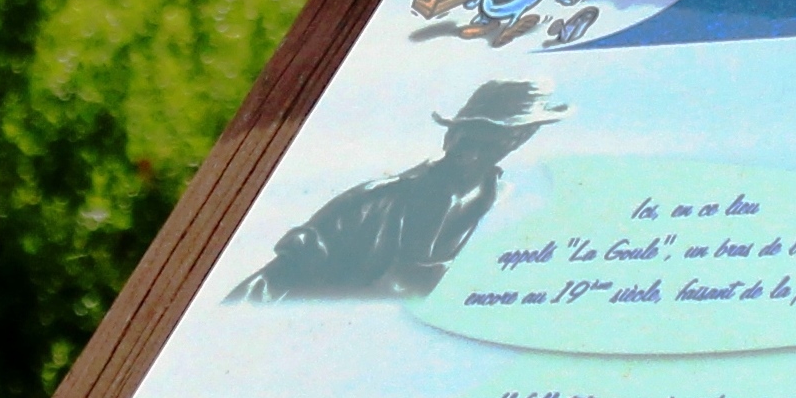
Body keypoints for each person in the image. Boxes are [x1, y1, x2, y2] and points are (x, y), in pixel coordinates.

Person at [228, 81, 567, 300]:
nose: (466, 144)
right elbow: (265, 288)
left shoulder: (519, 221)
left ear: (520, 138)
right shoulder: (368, 204)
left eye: (489, 134)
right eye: (463, 130)